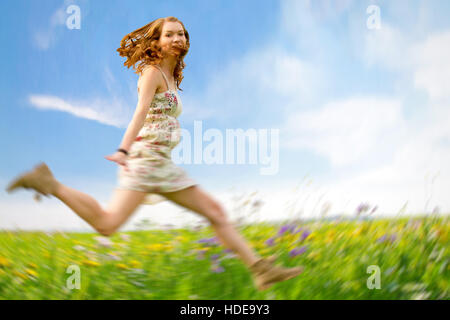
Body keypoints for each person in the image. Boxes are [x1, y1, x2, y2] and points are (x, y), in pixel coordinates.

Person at [5, 16, 303, 291]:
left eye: (182, 33)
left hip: (161, 162)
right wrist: (123, 149)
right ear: (157, 42)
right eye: (170, 34)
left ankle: (259, 269)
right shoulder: (152, 72)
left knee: (212, 213)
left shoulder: (171, 75)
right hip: (146, 159)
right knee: (108, 224)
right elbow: (140, 112)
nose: (178, 38)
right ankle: (49, 184)